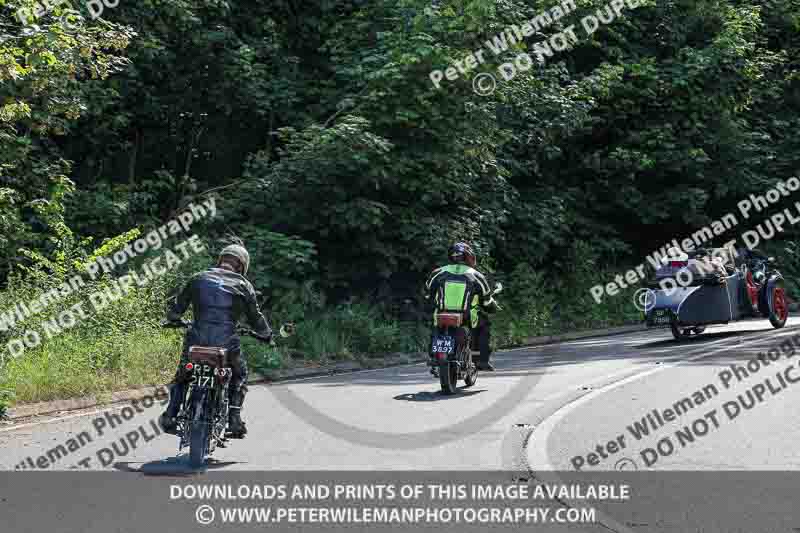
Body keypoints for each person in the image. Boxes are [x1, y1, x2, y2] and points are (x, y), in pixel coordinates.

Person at [159, 244, 272, 438]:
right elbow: (256, 317)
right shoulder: (244, 285)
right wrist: (266, 334)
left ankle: (170, 414)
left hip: (196, 340)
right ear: (242, 266)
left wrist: (174, 319)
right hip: (226, 343)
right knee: (239, 374)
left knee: (182, 376)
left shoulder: (198, 278)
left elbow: (176, 308)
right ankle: (234, 418)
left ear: (221, 259)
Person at [425, 242, 499, 371]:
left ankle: (434, 356)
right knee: (484, 324)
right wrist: (492, 307)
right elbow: (487, 301)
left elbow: (427, 294)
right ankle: (481, 360)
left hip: (442, 315)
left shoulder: (438, 272)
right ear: (469, 257)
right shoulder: (476, 275)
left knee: (436, 326)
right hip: (467, 317)